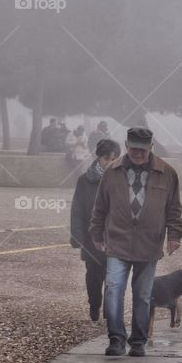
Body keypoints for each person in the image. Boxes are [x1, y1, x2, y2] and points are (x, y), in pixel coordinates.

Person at [90, 125, 182, 357]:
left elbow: (174, 208)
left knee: (143, 294)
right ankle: (116, 340)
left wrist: (174, 235)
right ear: (126, 146)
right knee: (113, 290)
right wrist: (96, 233)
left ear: (151, 147)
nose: (138, 154)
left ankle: (138, 341)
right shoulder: (112, 172)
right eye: (134, 150)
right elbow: (100, 206)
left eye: (143, 150)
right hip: (118, 241)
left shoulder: (167, 173)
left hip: (149, 244)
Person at [70, 138, 120, 321]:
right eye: (107, 158)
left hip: (115, 238)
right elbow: (77, 209)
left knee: (114, 278)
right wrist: (77, 236)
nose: (110, 162)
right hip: (93, 238)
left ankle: (109, 311)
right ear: (98, 157)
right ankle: (94, 305)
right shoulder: (85, 181)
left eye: (114, 158)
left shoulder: (122, 179)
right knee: (93, 276)